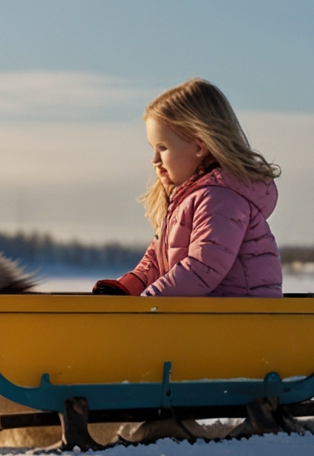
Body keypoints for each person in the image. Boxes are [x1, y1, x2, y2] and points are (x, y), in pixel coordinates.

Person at [93, 78, 283, 297]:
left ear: (199, 146)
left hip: (240, 319)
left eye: (162, 148)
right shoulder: (184, 201)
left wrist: (149, 301)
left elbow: (202, 267)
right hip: (207, 316)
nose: (155, 159)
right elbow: (154, 263)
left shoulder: (219, 199)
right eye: (153, 148)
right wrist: (126, 289)